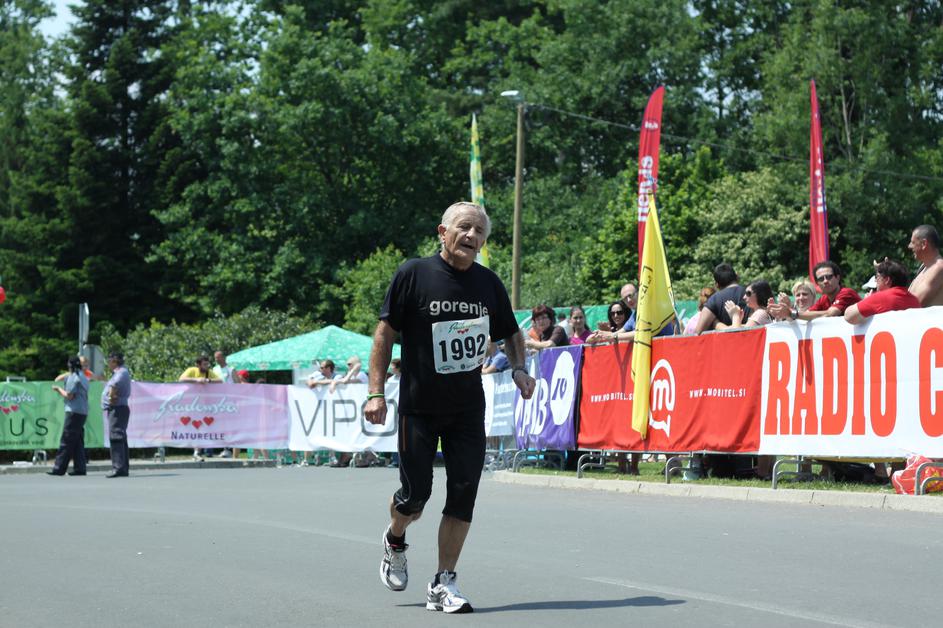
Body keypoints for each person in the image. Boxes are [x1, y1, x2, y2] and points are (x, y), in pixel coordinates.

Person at [364, 201, 535, 614]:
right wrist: (375, 392)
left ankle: (443, 582)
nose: (472, 236)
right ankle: (395, 538)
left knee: (463, 495)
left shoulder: (488, 283)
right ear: (443, 232)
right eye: (464, 227)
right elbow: (385, 334)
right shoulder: (413, 274)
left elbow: (511, 332)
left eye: (479, 231)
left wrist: (519, 369)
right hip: (419, 407)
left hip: (467, 410)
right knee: (415, 497)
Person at [769, 261, 860, 321]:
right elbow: (806, 315)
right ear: (817, 283)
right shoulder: (824, 299)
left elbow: (830, 314)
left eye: (829, 277)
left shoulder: (846, 293)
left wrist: (790, 313)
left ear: (838, 278)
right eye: (821, 279)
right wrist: (782, 313)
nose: (825, 281)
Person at [47, 356, 90, 476]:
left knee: (66, 439)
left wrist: (58, 389)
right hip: (82, 411)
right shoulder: (83, 377)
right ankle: (80, 468)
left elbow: (69, 395)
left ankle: (59, 468)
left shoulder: (73, 377)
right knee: (77, 441)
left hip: (73, 411)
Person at [845, 259, 921, 324]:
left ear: (887, 280)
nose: (875, 280)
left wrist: (866, 300)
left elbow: (848, 316)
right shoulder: (915, 301)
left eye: (877, 277)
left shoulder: (880, 298)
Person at [179, 355, 222, 460]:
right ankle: (196, 451)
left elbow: (220, 381)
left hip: (203, 405)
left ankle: (197, 452)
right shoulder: (191, 370)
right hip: (190, 404)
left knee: (200, 427)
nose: (207, 366)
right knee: (194, 428)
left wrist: (208, 380)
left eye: (207, 364)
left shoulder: (209, 373)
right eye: (204, 364)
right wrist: (196, 380)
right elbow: (181, 379)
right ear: (198, 365)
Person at [102, 352, 131, 478]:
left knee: (116, 437)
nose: (108, 364)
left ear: (114, 361)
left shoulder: (121, 372)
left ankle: (118, 468)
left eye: (109, 361)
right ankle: (122, 468)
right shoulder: (120, 372)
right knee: (119, 437)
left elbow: (115, 385)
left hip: (117, 408)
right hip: (118, 407)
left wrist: (111, 397)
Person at [695, 263, 746, 334]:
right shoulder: (751, 294)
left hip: (724, 341)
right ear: (737, 277)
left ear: (717, 285)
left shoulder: (714, 300)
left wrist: (715, 323)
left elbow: (698, 332)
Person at [213, 350, 241, 458]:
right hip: (218, 403)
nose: (217, 359)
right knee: (222, 426)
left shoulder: (231, 369)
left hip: (230, 403)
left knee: (232, 426)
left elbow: (238, 384)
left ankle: (231, 451)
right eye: (215, 358)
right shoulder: (214, 370)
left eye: (218, 357)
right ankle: (225, 448)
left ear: (223, 358)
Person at [907, 224, 943, 306]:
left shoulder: (939, 268)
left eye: (913, 242)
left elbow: (915, 304)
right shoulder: (924, 267)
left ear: (924, 244)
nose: (909, 246)